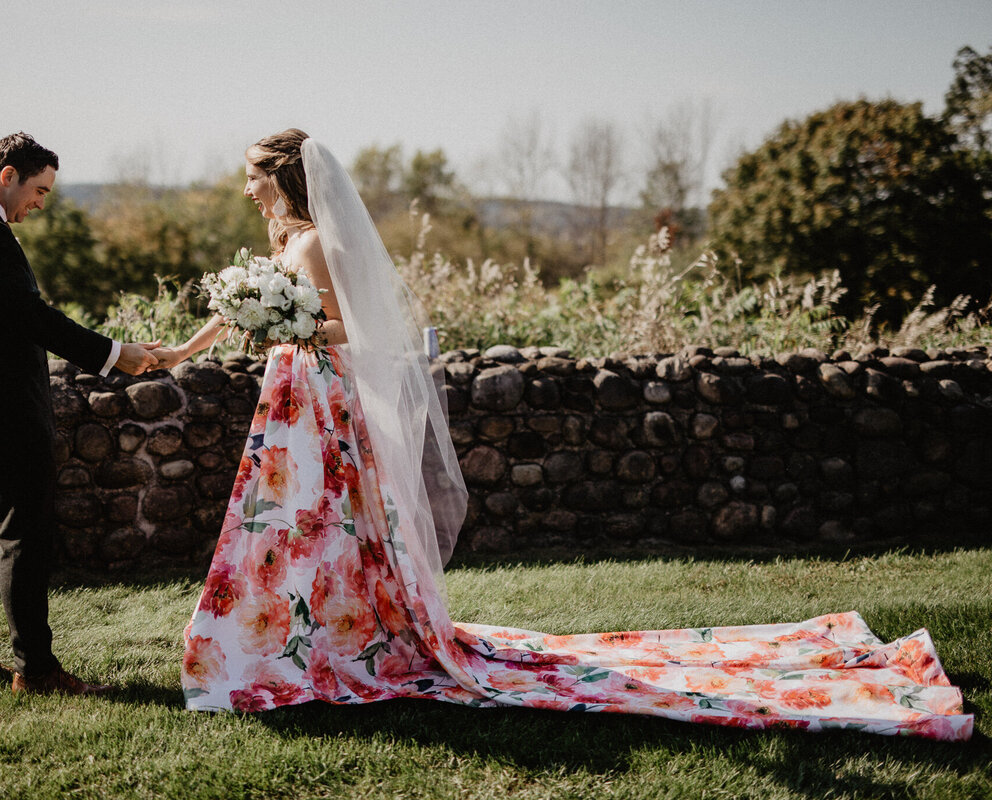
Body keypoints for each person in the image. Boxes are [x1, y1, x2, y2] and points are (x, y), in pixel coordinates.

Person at [151, 129, 971, 741]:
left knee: (327, 523)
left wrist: (292, 322)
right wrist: (197, 344)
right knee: (293, 523)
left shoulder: (318, 241)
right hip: (290, 399)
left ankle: (323, 636)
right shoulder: (285, 243)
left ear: (282, 175)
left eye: (253, 179)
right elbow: (244, 314)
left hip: (321, 399)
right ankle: (281, 638)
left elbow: (353, 329)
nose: (247, 191)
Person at [0, 132, 160, 695]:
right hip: (3, 409)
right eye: (38, 189)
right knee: (22, 539)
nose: (41, 202)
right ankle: (36, 670)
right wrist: (113, 353)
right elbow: (32, 317)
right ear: (7, 175)